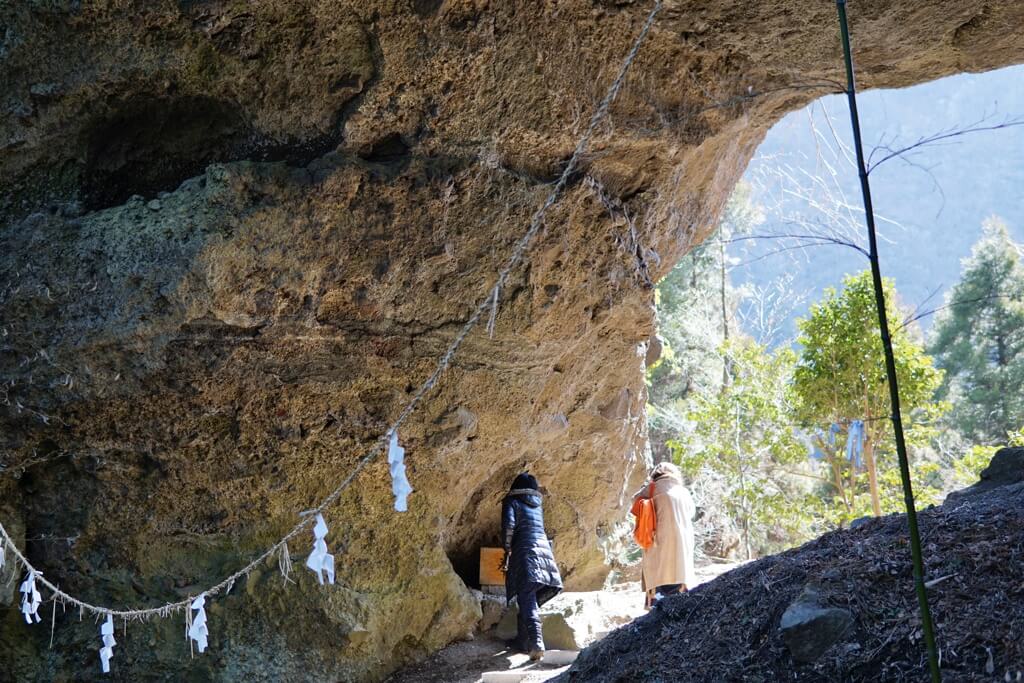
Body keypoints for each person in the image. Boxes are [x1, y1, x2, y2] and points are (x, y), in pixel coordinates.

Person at [501, 472, 563, 661]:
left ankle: (537, 644)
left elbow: (509, 526)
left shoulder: (511, 502)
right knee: (528, 599)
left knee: (526, 597)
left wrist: (507, 547)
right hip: (544, 553)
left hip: (525, 554)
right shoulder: (537, 506)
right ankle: (523, 641)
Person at [632, 461, 696, 607]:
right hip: (684, 540)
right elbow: (691, 512)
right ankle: (681, 600)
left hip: (659, 540)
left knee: (659, 570)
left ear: (656, 474)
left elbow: (634, 503)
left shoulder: (652, 488)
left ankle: (657, 603)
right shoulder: (683, 491)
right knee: (680, 569)